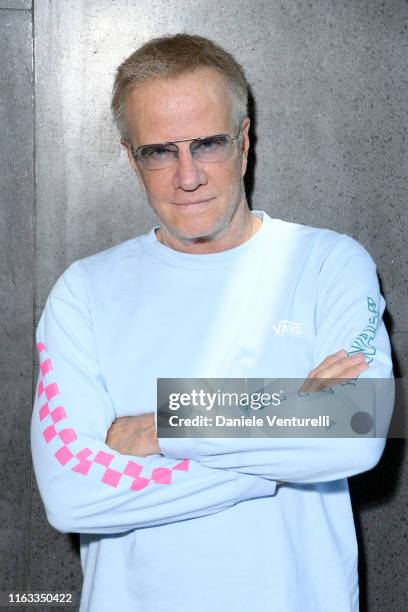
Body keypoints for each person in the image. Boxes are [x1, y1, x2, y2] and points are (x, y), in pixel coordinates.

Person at [30, 33, 394, 612]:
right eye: (159, 151)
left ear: (244, 142)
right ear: (131, 157)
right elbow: (73, 495)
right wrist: (277, 450)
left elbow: (358, 424)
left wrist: (164, 426)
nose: (188, 175)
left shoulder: (329, 262)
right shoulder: (85, 291)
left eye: (208, 144)